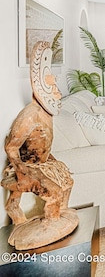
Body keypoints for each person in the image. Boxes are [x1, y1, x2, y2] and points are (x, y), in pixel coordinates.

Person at [2, 41, 78, 249]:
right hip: (25, 166)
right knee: (53, 191)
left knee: (67, 180)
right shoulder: (30, 115)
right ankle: (51, 222)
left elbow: (43, 144)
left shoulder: (45, 112)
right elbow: (11, 148)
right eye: (52, 87)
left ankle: (61, 213)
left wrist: (52, 162)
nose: (57, 91)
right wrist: (22, 172)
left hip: (42, 162)